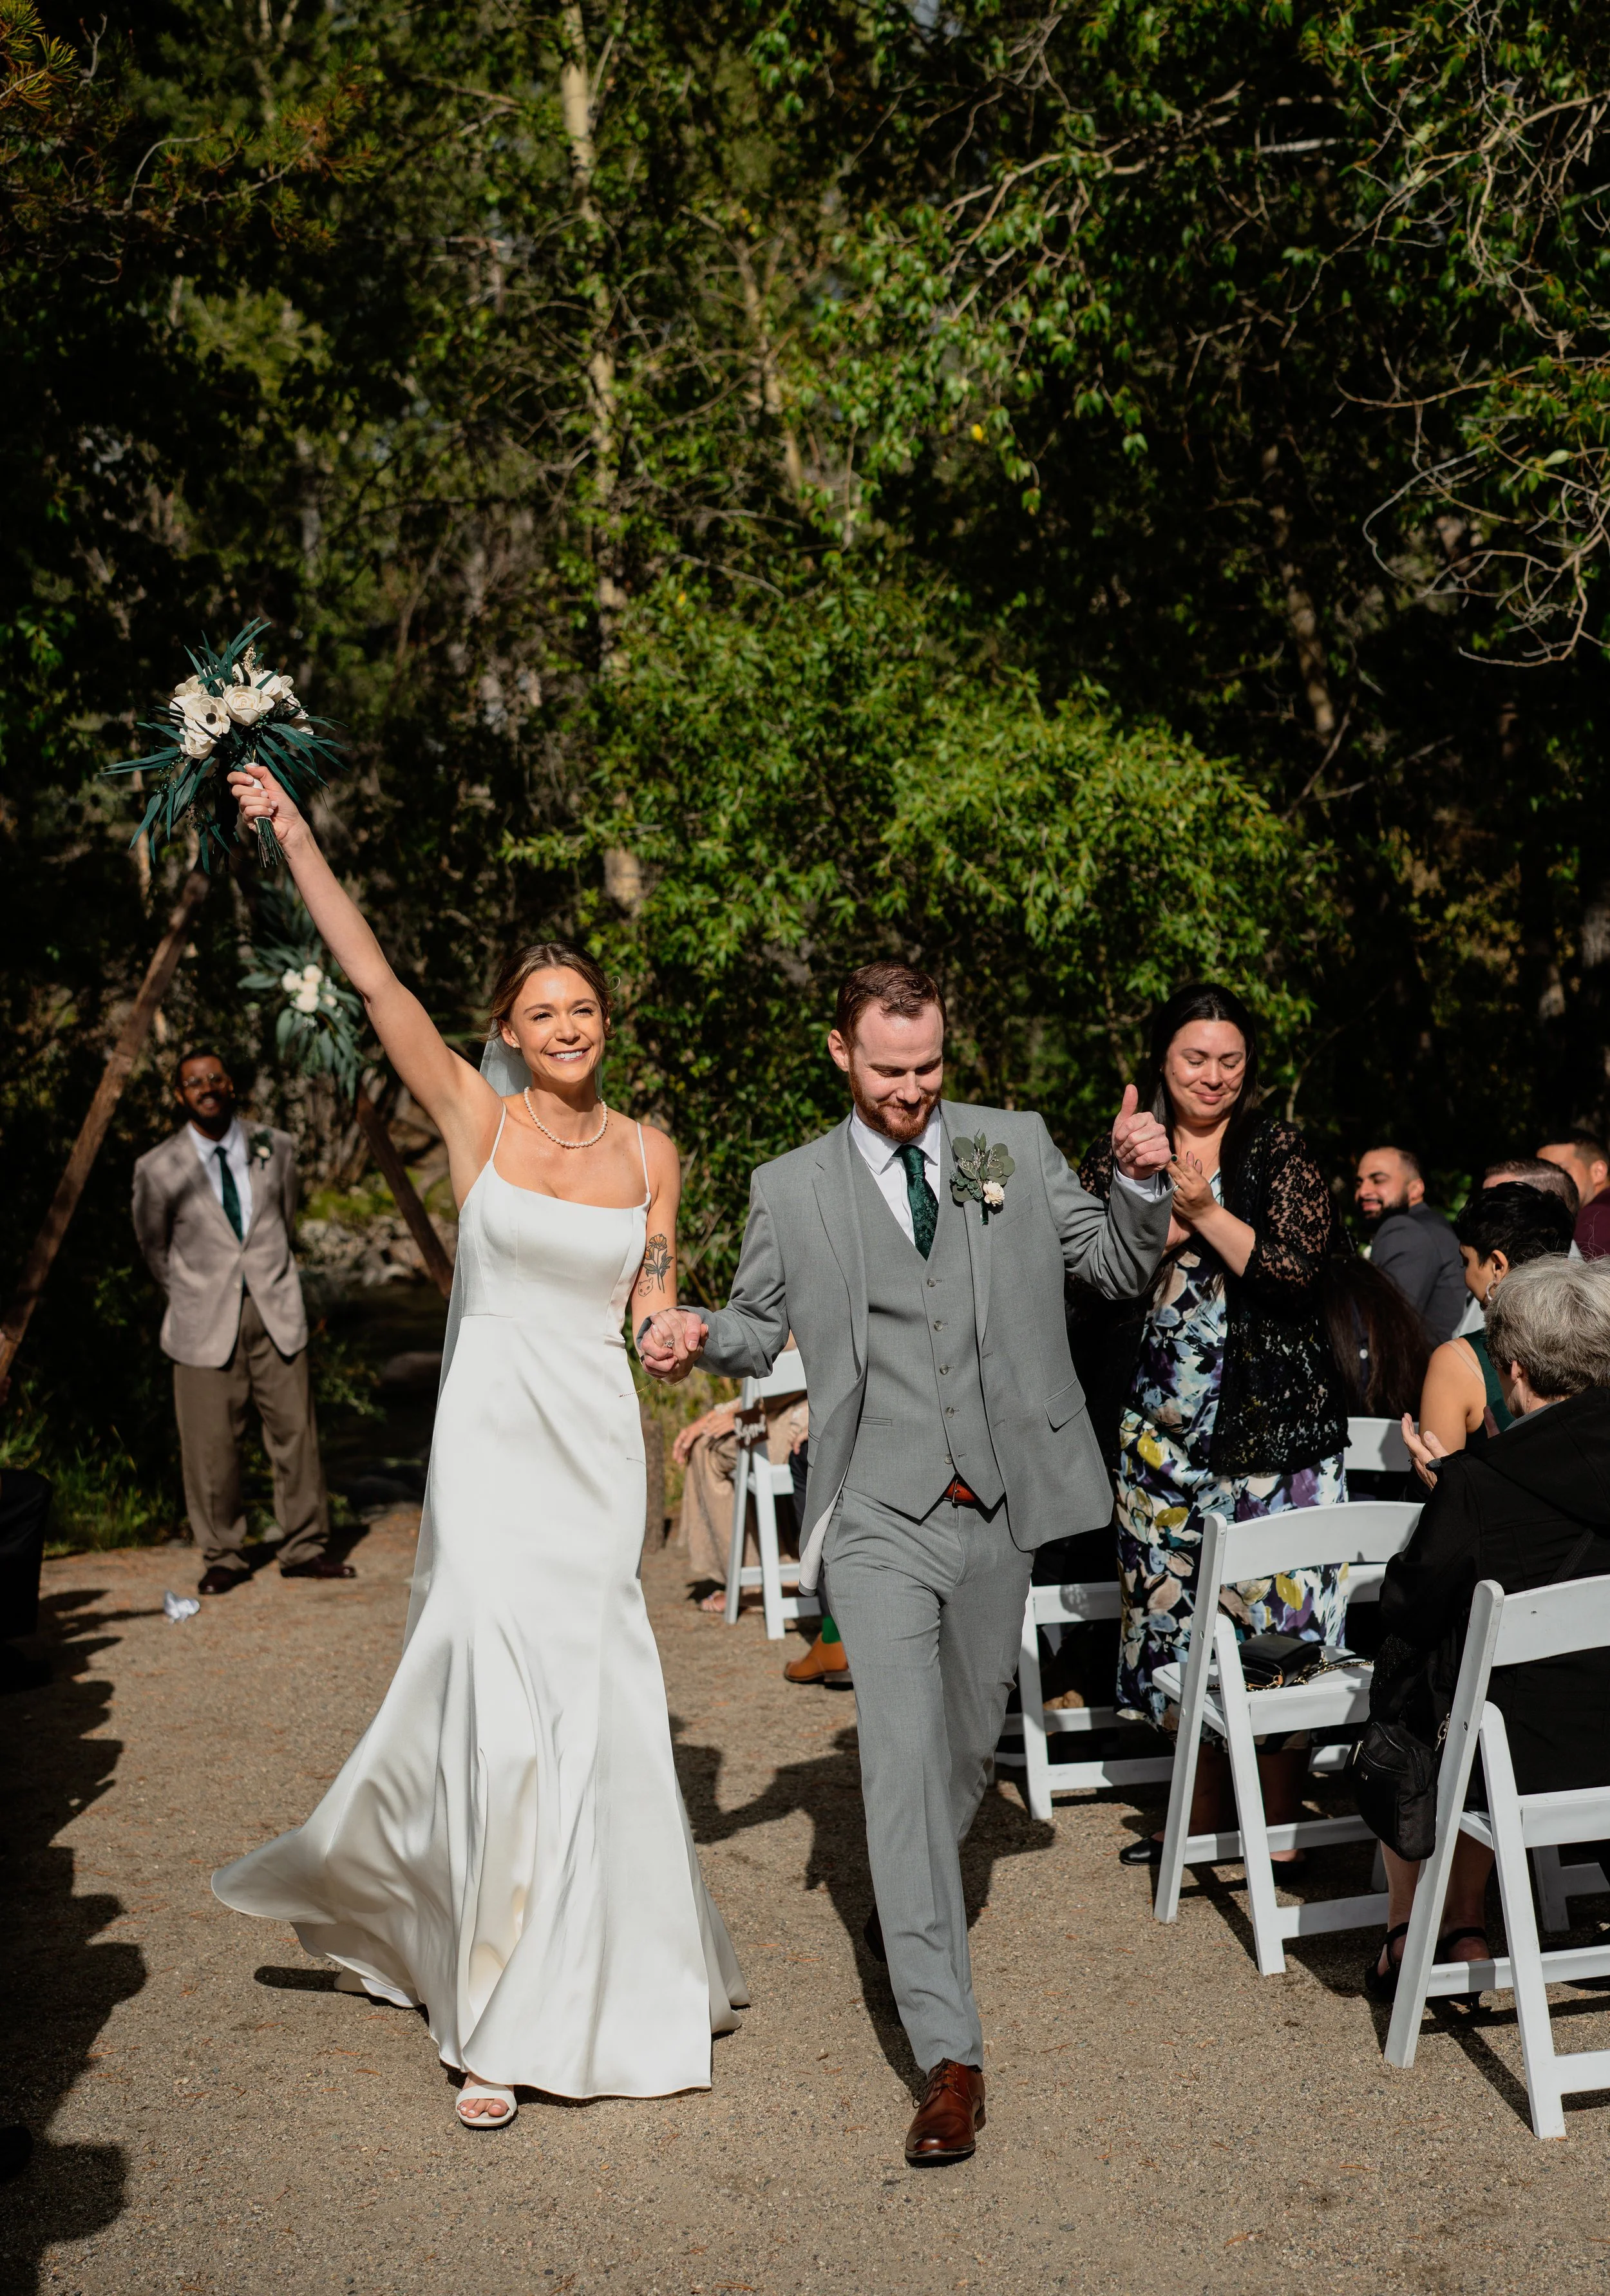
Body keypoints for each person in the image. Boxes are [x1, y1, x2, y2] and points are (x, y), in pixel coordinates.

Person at [212, 762, 746, 2132]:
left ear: (605, 1025)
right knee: (500, 1717)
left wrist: (673, 1332)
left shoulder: (654, 1153)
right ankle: (493, 2015)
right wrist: (291, 836)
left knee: (602, 1702)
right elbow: (375, 979)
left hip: (591, 1447)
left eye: (584, 1009)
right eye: (541, 1011)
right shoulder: (473, 1116)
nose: (566, 1026)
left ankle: (614, 1978)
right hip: (491, 1446)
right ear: (505, 1027)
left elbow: (648, 1300)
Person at [639, 960, 1171, 2167]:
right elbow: (760, 1326)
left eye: (929, 1068)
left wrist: (1142, 1186)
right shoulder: (794, 1187)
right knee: (894, 1755)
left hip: (997, 1501)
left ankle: (907, 1893)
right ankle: (951, 2057)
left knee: (960, 1752)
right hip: (875, 1510)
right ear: (842, 1054)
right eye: (889, 1072)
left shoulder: (1002, 1144)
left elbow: (1113, 1269)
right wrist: (693, 1334)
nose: (912, 1092)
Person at [1084, 983, 1350, 1867]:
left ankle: (1271, 1822)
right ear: (1162, 1057)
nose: (1213, 1075)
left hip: (1267, 1432)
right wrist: (1142, 1198)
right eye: (1196, 1057)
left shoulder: (1279, 1151)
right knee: (1171, 1610)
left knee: (1273, 1610)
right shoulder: (1123, 1149)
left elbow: (1293, 1276)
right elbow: (1090, 1281)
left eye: (1230, 1060)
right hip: (1158, 1431)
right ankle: (1196, 1814)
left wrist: (1200, 1207)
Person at [1367, 1257, 1610, 1997]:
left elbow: (1407, 1608)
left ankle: (1410, 1929)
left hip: (1527, 1758)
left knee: (1406, 1698)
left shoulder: (1479, 1482)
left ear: (1509, 1369)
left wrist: (1450, 1497)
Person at [131, 1048, 349, 1594]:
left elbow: (287, 1217)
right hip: (202, 1320)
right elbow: (153, 1248)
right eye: (192, 1082)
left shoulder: (276, 1146)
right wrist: (191, 1292)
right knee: (211, 1447)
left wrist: (267, 1278)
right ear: (180, 1095)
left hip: (275, 1309)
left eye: (214, 1077)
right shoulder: (156, 1168)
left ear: (231, 1085)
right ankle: (224, 1554)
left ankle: (304, 1547)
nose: (205, 1086)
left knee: (295, 1435)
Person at [1406, 1184, 1573, 1481]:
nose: (1465, 1275)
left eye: (1466, 1261)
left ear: (1497, 1265)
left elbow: (1443, 1495)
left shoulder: (1457, 1361)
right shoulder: (1596, 1346)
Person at [1354, 1146, 1466, 1344]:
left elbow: (1385, 1324)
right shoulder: (1432, 1224)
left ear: (1415, 1189)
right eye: (1359, 1183)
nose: (1363, 1191)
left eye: (1378, 1180)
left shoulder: (1405, 1228)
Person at [1538, 1132, 1610, 1258]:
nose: (1546, 1182)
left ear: (1598, 1172)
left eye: (1560, 1171)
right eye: (1539, 1174)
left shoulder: (1595, 1219)